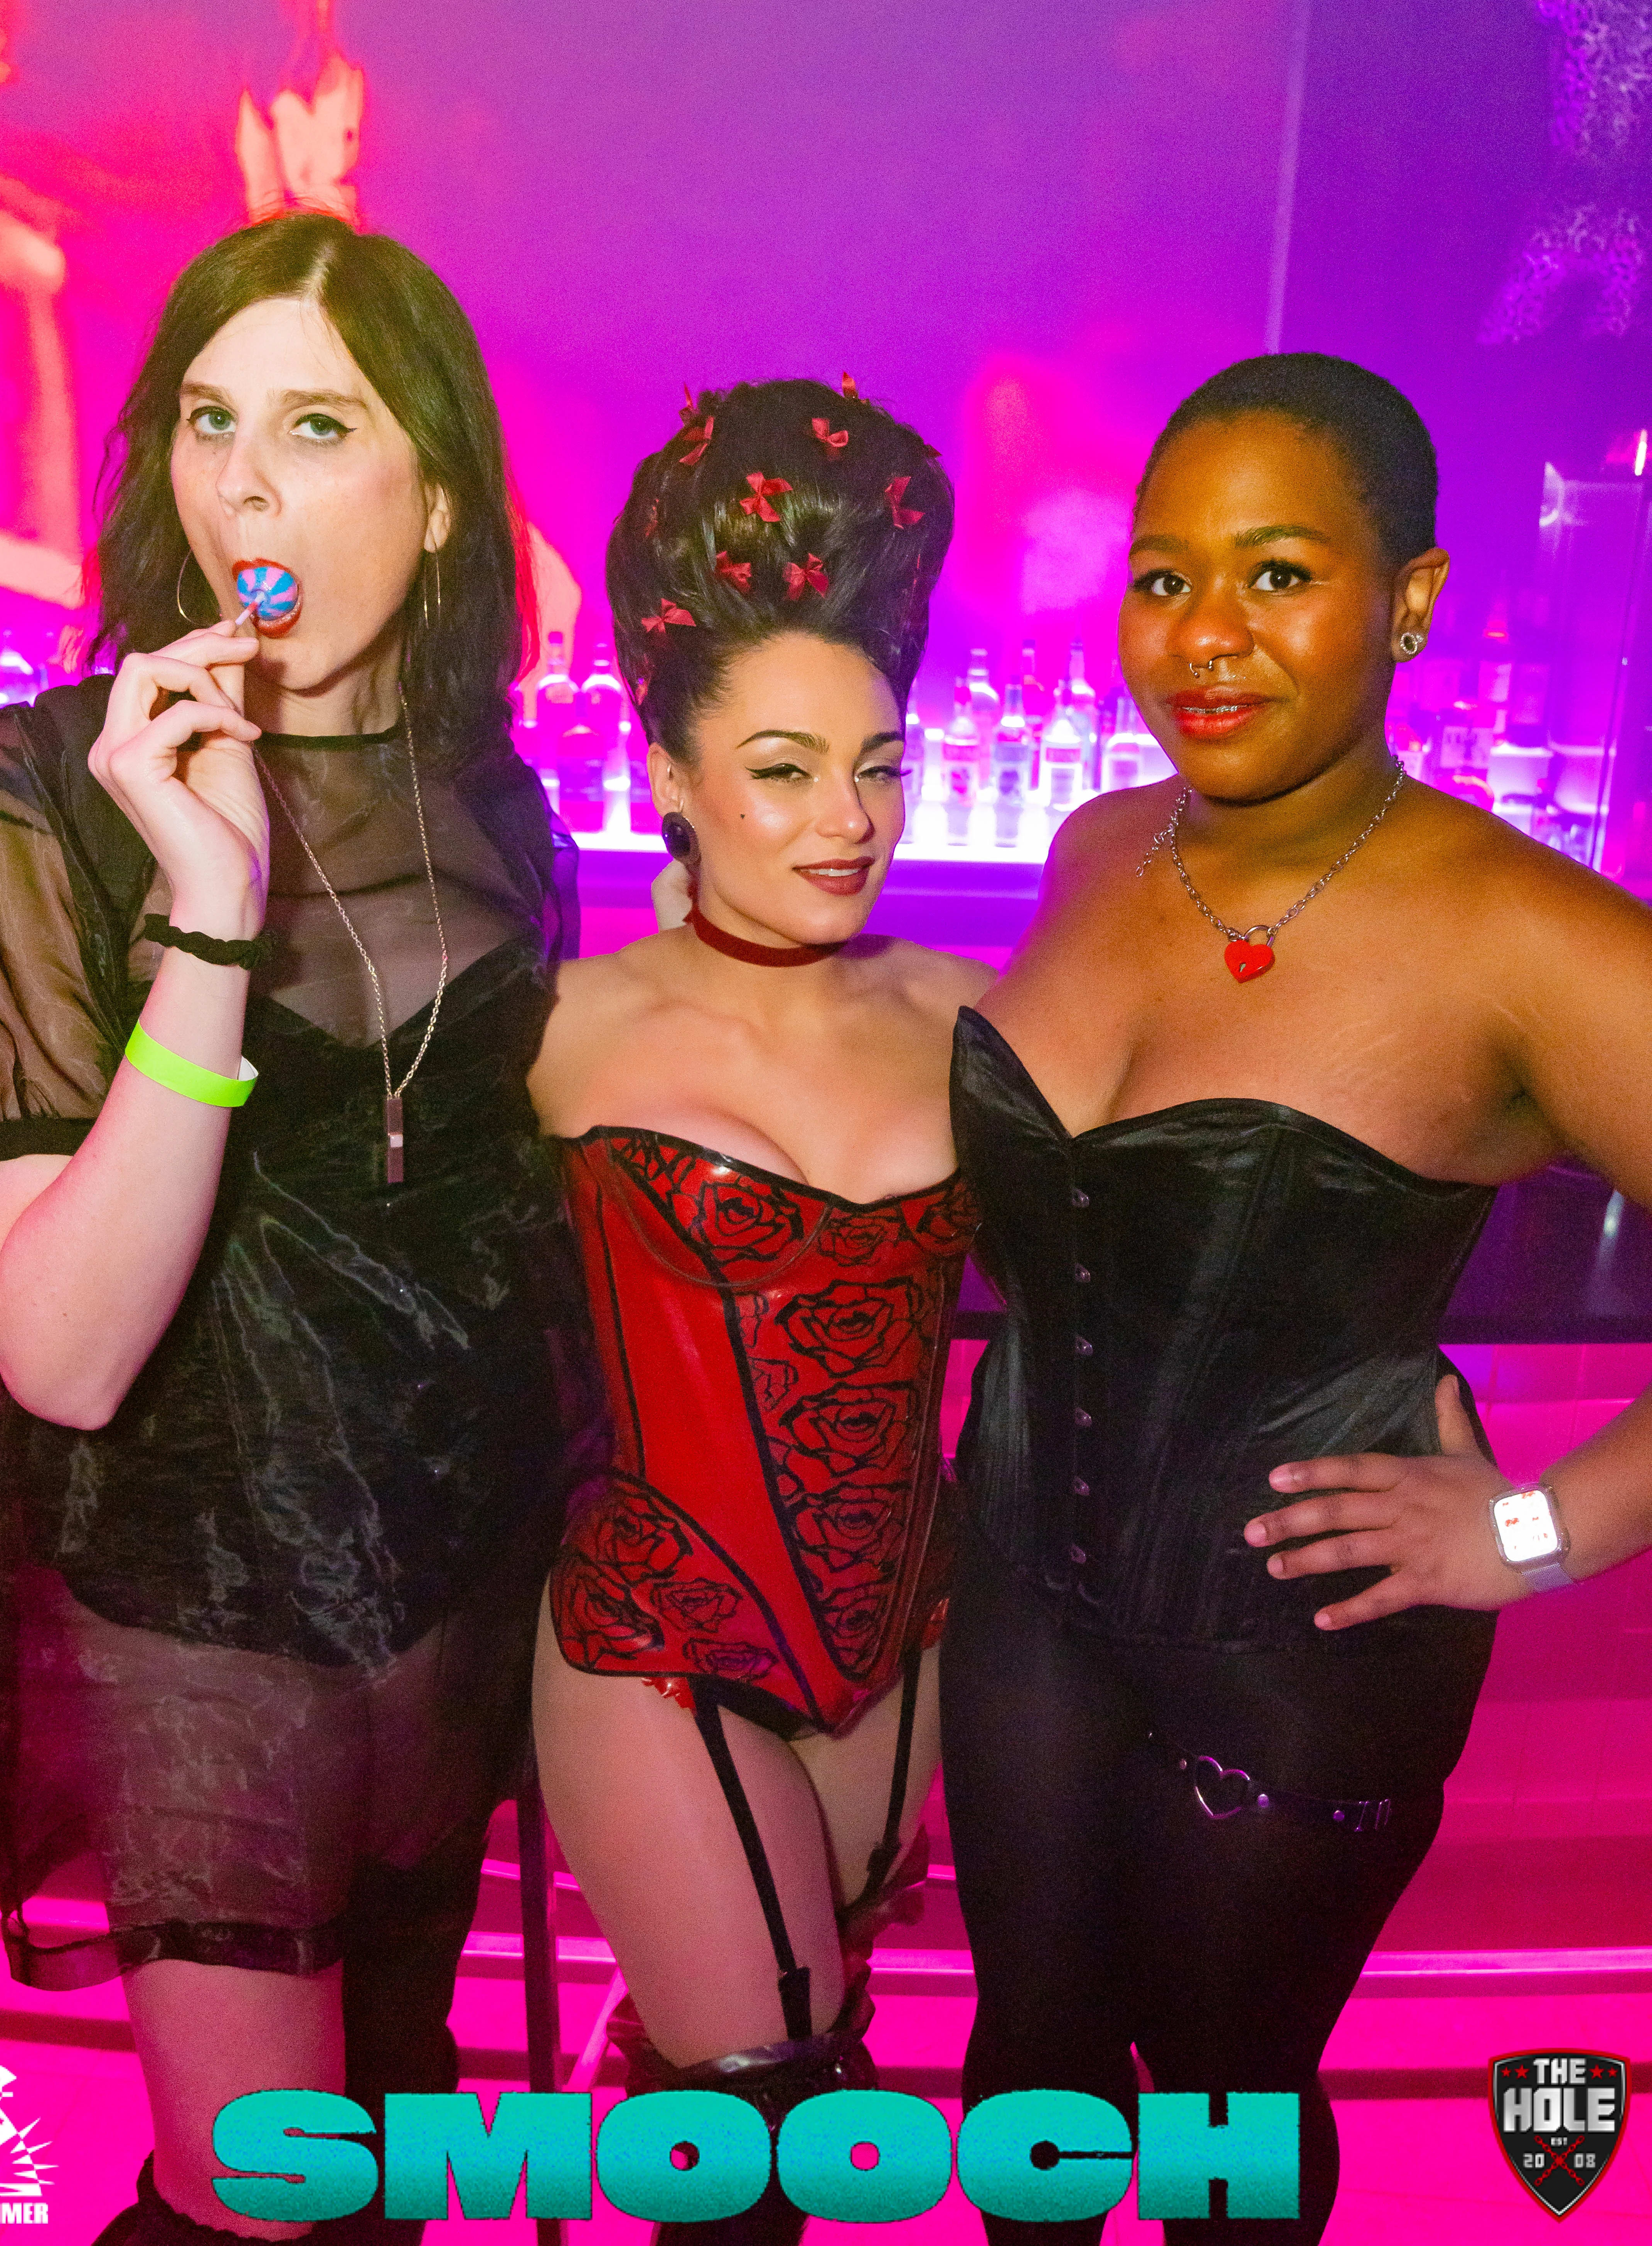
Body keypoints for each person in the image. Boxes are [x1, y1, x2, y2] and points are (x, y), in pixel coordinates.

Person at [0, 212, 599, 2246]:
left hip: (454, 1577)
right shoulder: (28, 789)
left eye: (316, 426)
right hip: (200, 1589)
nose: (245, 487)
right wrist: (206, 910)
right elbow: (65, 1347)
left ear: (437, 502)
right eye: (209, 421)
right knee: (258, 2191)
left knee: (391, 2124)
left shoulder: (497, 807)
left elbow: (490, 1221)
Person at [938, 350, 1652, 2243]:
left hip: (1296, 1651)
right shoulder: (1098, 845)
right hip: (1016, 1593)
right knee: (1029, 2071)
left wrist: (1535, 1526)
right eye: (1164, 577)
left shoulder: (1518, 929)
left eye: (1277, 572)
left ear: (1408, 601)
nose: (1205, 634)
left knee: (1223, 2105)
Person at [528, 377, 988, 2243]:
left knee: (803, 2046)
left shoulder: (978, 1014)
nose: (847, 819)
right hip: (651, 1638)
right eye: (786, 769)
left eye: (878, 765)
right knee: (765, 2107)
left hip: (908, 1642)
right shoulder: (554, 1033)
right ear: (669, 771)